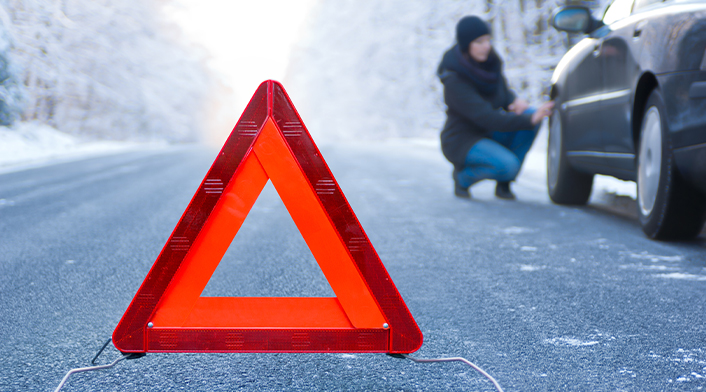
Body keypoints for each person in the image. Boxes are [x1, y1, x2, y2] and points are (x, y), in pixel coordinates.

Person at [437, 15, 554, 200]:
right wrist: (529, 119)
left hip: (488, 132)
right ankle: (462, 178)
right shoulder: (454, 80)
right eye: (479, 41)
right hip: (462, 140)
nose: (486, 46)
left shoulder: (490, 64)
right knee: (509, 162)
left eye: (488, 40)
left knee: (529, 115)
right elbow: (487, 117)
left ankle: (504, 183)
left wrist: (513, 101)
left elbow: (502, 92)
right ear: (466, 44)